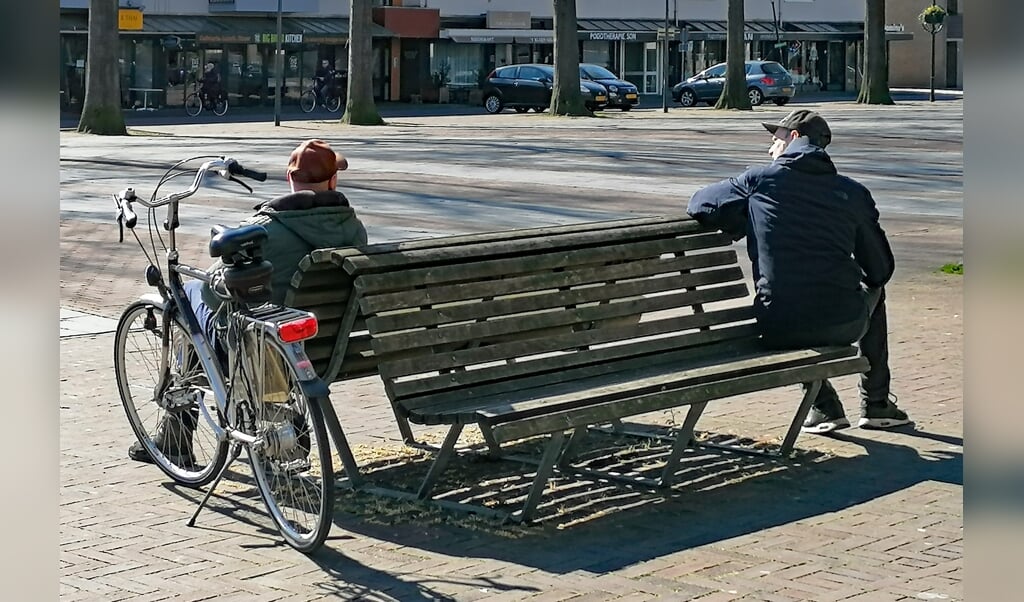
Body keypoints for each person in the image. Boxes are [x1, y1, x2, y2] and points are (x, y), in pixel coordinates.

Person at [128, 139, 368, 464]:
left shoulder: (264, 231)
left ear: (289, 179)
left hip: (266, 351)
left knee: (189, 307)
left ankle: (176, 437)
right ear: (333, 181)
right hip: (331, 347)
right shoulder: (353, 229)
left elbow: (216, 293)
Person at [686, 109, 911, 434]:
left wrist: (747, 218)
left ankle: (824, 407)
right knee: (874, 293)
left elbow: (700, 204)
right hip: (844, 323)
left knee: (791, 298)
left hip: (778, 326)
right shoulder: (852, 192)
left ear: (793, 137)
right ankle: (876, 403)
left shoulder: (758, 182)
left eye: (775, 138)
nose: (770, 148)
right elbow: (880, 271)